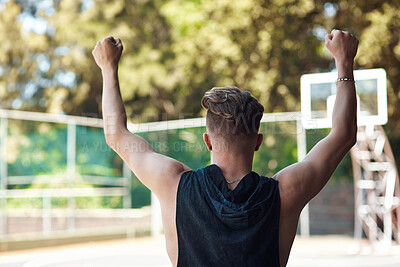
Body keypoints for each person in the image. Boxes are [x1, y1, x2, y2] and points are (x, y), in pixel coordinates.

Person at [92, 29, 358, 266]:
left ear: (207, 141)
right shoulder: (286, 192)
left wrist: (108, 67)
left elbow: (115, 134)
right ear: (258, 142)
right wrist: (343, 64)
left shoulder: (173, 184)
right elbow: (343, 135)